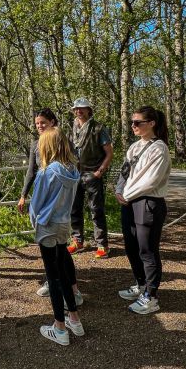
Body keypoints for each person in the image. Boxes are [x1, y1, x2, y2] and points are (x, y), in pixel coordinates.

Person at [17, 108, 83, 305]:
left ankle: (70, 290)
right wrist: (23, 195)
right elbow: (31, 171)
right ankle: (58, 285)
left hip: (55, 204)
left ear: (53, 122)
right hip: (53, 207)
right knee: (56, 251)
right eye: (37, 124)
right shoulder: (35, 145)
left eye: (43, 123)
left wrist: (36, 215)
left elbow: (70, 167)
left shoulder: (61, 142)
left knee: (59, 253)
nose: (39, 127)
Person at [30, 127, 85, 345]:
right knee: (63, 272)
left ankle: (59, 327)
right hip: (64, 225)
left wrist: (36, 222)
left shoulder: (47, 172)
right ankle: (74, 318)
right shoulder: (72, 170)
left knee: (52, 277)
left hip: (48, 225)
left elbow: (37, 203)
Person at [115, 106, 171, 315]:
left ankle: (151, 295)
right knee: (131, 246)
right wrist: (119, 190)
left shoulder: (160, 149)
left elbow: (150, 181)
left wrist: (126, 194)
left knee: (147, 250)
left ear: (151, 124)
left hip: (147, 202)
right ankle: (140, 284)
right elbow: (125, 171)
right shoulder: (134, 147)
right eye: (132, 122)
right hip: (129, 202)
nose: (133, 126)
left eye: (138, 122)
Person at [68, 98, 114, 258]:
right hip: (75, 174)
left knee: (96, 209)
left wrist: (99, 172)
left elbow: (109, 152)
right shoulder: (71, 128)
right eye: (76, 108)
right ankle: (77, 240)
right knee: (74, 209)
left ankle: (102, 245)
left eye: (82, 108)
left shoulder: (98, 128)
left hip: (92, 173)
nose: (78, 111)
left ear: (89, 110)